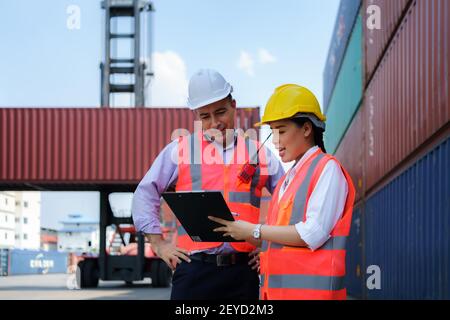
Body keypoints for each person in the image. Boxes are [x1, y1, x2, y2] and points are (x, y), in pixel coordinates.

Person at [132, 69, 285, 300]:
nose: (215, 123)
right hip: (194, 271)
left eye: (221, 112)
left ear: (233, 105)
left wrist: (270, 248)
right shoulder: (180, 150)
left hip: (243, 273)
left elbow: (288, 200)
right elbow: (145, 193)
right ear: (196, 116)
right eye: (205, 116)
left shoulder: (260, 153)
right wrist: (159, 244)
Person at [209, 84, 356, 300]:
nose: (275, 141)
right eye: (272, 132)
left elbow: (312, 234)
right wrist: (238, 231)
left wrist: (254, 230)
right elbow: (279, 239)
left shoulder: (327, 168)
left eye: (282, 131)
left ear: (306, 129)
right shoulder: (288, 180)